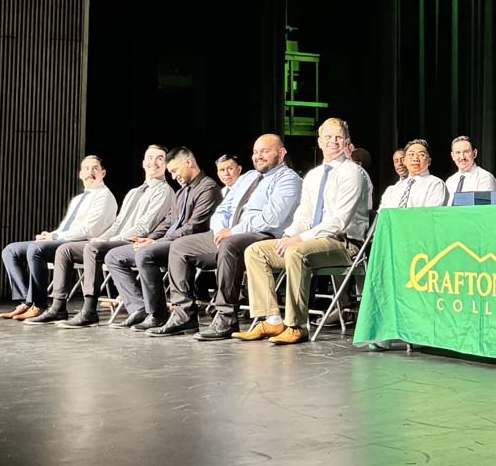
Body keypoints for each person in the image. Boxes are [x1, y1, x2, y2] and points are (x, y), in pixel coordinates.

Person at [149, 133, 301, 340]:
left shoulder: (289, 179)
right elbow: (223, 208)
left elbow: (272, 218)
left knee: (230, 244)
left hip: (263, 236)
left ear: (281, 153)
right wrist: (221, 229)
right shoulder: (247, 177)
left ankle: (226, 317)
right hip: (228, 234)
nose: (258, 156)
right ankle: (183, 314)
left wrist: (233, 231)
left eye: (265, 151)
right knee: (180, 246)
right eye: (256, 152)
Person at [236, 118, 371, 345]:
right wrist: (290, 235)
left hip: (344, 244)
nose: (332, 141)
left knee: (296, 252)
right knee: (255, 251)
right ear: (319, 141)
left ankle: (297, 325)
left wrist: (299, 239)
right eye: (327, 137)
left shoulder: (352, 173)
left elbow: (339, 221)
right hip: (310, 241)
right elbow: (304, 214)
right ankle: (272, 319)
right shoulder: (314, 175)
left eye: (338, 137)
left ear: (347, 141)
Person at [26, 145, 174, 326]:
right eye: (150, 158)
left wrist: (109, 240)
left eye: (160, 158)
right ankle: (58, 307)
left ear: (166, 164)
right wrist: (104, 237)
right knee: (65, 250)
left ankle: (89, 310)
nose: (154, 162)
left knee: (93, 247)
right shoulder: (134, 192)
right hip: (116, 240)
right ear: (143, 163)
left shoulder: (164, 191)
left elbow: (144, 227)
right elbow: (118, 223)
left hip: (134, 242)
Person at [100, 147, 220, 330]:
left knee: (145, 254)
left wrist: (156, 242)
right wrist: (149, 238)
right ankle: (138, 307)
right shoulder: (181, 192)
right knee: (113, 256)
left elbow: (193, 227)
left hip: (188, 245)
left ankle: (157, 314)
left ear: (188, 162)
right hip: (166, 242)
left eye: (174, 170)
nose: (173, 176)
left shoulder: (207, 188)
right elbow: (167, 222)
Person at [0, 156, 118, 321]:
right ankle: (27, 300)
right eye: (86, 168)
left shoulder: (104, 197)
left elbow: (89, 230)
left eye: (95, 168)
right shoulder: (79, 199)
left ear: (103, 173)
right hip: (64, 238)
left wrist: (55, 236)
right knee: (10, 250)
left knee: (36, 249)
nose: (90, 172)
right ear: (80, 174)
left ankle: (39, 305)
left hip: (82, 244)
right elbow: (67, 227)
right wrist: (50, 235)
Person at [379, 139, 448, 208]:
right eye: (411, 154)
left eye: (421, 155)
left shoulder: (435, 184)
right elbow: (382, 215)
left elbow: (431, 215)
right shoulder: (393, 189)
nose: (415, 159)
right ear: (404, 161)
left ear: (429, 161)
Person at [445, 135, 496, 203]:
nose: (462, 157)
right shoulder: (450, 181)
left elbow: (486, 210)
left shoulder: (485, 178)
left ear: (474, 153)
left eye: (466, 152)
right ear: (453, 156)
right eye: (458, 152)